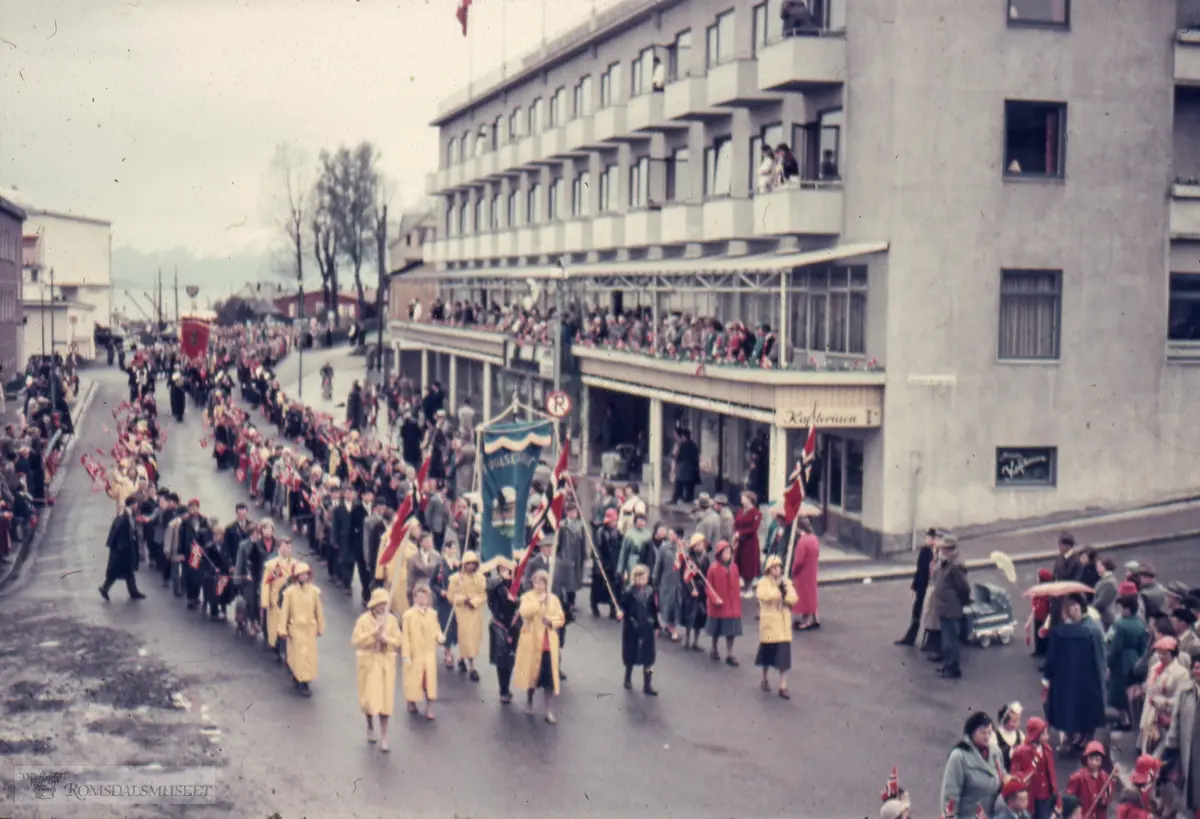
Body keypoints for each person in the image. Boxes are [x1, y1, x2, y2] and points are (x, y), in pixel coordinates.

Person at [1043, 595, 1106, 753]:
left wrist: (1047, 676)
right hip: (1085, 678)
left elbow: (1051, 660)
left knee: (1065, 709)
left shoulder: (1058, 633)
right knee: (1082, 708)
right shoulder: (1089, 632)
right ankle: (1083, 738)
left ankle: (1068, 741)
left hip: (1062, 680)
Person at [351, 587, 403, 752]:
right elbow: (356, 641)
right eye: (379, 604)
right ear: (373, 605)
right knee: (370, 701)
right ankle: (369, 725)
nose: (382, 607)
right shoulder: (363, 620)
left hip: (386, 664)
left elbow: (398, 642)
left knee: (385, 702)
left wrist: (386, 639)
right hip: (369, 664)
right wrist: (373, 635)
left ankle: (384, 736)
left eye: (384, 604)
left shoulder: (392, 621)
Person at [513, 569, 566, 724]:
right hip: (532, 644)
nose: (538, 585)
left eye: (542, 582)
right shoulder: (527, 597)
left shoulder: (553, 599)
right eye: (536, 582)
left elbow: (561, 618)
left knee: (548, 680)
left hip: (548, 646)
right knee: (532, 677)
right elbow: (524, 612)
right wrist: (539, 603)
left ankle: (548, 710)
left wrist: (551, 622)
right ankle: (529, 702)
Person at [940, 711, 1002, 819]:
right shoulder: (959, 756)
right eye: (983, 733)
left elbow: (1002, 777)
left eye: (989, 732)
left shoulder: (996, 753)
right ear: (972, 732)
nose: (987, 736)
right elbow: (950, 796)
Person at [278, 561, 324, 696]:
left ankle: (305, 681)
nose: (303, 577)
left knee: (309, 657)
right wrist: (283, 629)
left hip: (309, 629)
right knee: (297, 656)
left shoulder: (314, 592)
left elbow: (318, 611)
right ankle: (299, 680)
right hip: (296, 629)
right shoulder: (289, 593)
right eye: (301, 574)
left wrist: (320, 627)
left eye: (305, 574)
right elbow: (285, 611)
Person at [755, 554, 798, 699]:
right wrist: (778, 591)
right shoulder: (763, 583)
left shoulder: (786, 582)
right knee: (767, 656)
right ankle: (764, 678)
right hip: (770, 625)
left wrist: (786, 593)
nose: (777, 570)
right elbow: (764, 596)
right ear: (768, 570)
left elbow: (793, 598)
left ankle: (783, 686)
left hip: (783, 625)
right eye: (773, 568)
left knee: (783, 658)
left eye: (779, 567)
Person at [400, 583, 443, 721]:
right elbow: (405, 636)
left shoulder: (432, 614)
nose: (423, 600)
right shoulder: (408, 616)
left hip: (429, 654)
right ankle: (411, 701)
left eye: (425, 597)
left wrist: (439, 636)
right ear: (414, 598)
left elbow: (436, 628)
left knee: (429, 683)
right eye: (420, 597)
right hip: (415, 654)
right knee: (414, 681)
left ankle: (429, 708)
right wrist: (406, 655)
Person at [1140, 635, 1187, 754]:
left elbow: (1180, 700)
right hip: (1151, 719)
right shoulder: (1155, 668)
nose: (1161, 656)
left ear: (1173, 654)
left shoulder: (1181, 673)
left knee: (1161, 756)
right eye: (1159, 653)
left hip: (1168, 721)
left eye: (1164, 653)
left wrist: (1161, 702)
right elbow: (1148, 695)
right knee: (1147, 755)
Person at [1108, 593, 1148, 731]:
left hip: (1122, 661)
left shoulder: (1120, 625)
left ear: (1127, 609)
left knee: (1119, 693)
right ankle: (1132, 718)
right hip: (1136, 658)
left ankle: (1125, 720)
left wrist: (1109, 663)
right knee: (1132, 690)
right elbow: (1144, 646)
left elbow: (1116, 648)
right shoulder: (1140, 624)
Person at [932, 535, 970, 679]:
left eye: (942, 548)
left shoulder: (954, 566)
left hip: (951, 609)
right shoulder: (945, 563)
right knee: (946, 641)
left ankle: (953, 669)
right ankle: (947, 665)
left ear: (948, 549)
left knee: (951, 641)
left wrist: (961, 602)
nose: (940, 550)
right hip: (943, 608)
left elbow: (964, 588)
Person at [618, 564, 658, 695]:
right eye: (638, 578)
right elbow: (622, 606)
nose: (641, 581)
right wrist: (621, 613)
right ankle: (627, 678)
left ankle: (648, 684)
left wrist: (656, 625)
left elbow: (654, 610)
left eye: (643, 578)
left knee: (649, 659)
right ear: (633, 578)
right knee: (631, 655)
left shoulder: (650, 591)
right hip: (632, 627)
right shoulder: (628, 592)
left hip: (647, 628)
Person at [448, 550, 487, 682]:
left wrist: (474, 602)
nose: (470, 566)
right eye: (468, 563)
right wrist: (464, 600)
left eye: (473, 563)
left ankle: (461, 658)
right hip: (462, 612)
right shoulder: (455, 578)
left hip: (475, 612)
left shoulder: (481, 578)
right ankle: (472, 668)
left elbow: (483, 595)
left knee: (474, 639)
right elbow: (450, 596)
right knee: (466, 638)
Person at [1008, 717, 1057, 819]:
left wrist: (1055, 794)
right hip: (1029, 796)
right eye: (1044, 734)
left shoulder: (1047, 750)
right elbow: (1015, 774)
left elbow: (1051, 774)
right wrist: (1030, 770)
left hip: (1045, 795)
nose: (1047, 737)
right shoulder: (1020, 752)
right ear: (1036, 734)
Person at [895, 528, 938, 646]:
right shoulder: (925, 551)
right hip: (923, 585)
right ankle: (911, 637)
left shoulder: (936, 552)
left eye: (928, 538)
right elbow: (920, 570)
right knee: (918, 611)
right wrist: (914, 587)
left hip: (933, 586)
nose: (926, 540)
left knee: (929, 613)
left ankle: (928, 640)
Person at [99, 496, 146, 601]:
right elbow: (121, 534)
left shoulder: (128, 515)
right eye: (136, 504)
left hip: (125, 549)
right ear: (133, 504)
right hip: (123, 551)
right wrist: (124, 548)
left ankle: (133, 592)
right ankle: (104, 588)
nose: (137, 506)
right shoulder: (124, 517)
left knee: (129, 572)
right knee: (117, 572)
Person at [487, 558, 520, 704]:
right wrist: (502, 580)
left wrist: (517, 600)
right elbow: (491, 595)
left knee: (511, 658)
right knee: (502, 659)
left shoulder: (518, 583)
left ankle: (506, 687)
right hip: (499, 624)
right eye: (504, 568)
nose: (508, 571)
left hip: (513, 624)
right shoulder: (495, 583)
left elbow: (523, 599)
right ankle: (503, 690)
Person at [705, 540, 743, 665]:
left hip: (732, 605)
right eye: (725, 552)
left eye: (729, 552)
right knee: (716, 629)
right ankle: (714, 648)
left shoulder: (734, 568)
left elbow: (736, 585)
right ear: (719, 554)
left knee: (731, 631)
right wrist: (714, 598)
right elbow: (708, 587)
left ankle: (730, 653)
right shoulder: (713, 568)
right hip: (719, 605)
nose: (727, 555)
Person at [260, 535, 295, 663]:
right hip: (275, 601)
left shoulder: (295, 564)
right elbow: (265, 583)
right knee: (276, 627)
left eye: (290, 546)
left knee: (288, 626)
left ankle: (286, 652)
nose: (288, 549)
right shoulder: (272, 565)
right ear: (279, 548)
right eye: (285, 546)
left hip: (290, 601)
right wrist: (265, 601)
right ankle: (277, 649)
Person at [1065, 741, 1114, 819]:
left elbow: (1108, 796)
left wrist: (1104, 800)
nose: (1094, 763)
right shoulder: (1077, 778)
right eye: (1091, 759)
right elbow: (1070, 800)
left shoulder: (1105, 777)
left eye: (1097, 760)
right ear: (1086, 759)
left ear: (1102, 760)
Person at [791, 516, 820, 630]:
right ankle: (814, 618)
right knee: (811, 594)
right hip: (812, 570)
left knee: (804, 597)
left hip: (803, 573)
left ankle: (806, 621)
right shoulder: (814, 538)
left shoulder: (802, 541)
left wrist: (793, 571)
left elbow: (798, 561)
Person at [733, 491, 761, 596]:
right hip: (740, 542)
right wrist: (736, 533)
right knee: (740, 563)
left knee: (749, 564)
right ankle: (744, 587)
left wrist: (740, 533)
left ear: (750, 500)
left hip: (750, 543)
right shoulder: (740, 511)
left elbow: (753, 528)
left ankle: (749, 588)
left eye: (744, 498)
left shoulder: (756, 513)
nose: (741, 500)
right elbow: (736, 523)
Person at [993, 702, 1025, 772]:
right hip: (1002, 772)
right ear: (1004, 721)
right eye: (1014, 721)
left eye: (1018, 720)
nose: (1018, 724)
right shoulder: (995, 736)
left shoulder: (1020, 735)